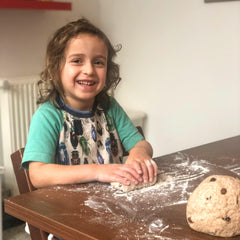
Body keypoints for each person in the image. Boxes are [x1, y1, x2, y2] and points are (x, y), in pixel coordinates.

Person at [22, 18, 158, 190]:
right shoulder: (48, 116)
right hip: (63, 211)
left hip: (110, 203)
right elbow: (37, 174)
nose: (89, 70)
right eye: (77, 60)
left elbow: (140, 143)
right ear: (56, 69)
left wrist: (139, 153)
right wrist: (97, 171)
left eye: (99, 62)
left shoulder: (108, 106)